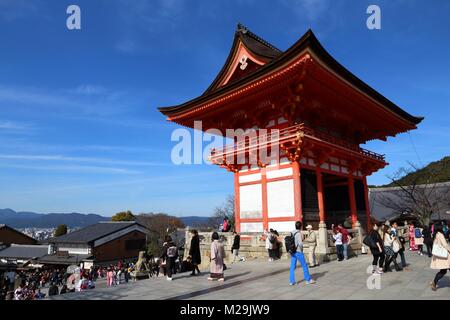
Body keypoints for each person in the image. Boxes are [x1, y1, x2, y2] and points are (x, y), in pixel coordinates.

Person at [289, 221, 315, 286]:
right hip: (298, 251)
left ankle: (292, 281)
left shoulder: (291, 232)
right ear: (300, 227)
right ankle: (308, 280)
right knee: (304, 265)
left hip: (292, 251)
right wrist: (301, 249)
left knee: (292, 267)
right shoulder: (298, 233)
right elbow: (300, 243)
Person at [429, 224, 450, 291]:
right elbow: (445, 245)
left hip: (441, 257)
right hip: (444, 257)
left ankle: (434, 283)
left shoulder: (436, 234)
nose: (444, 228)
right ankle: (434, 283)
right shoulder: (440, 235)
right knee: (443, 271)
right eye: (442, 227)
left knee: (443, 271)